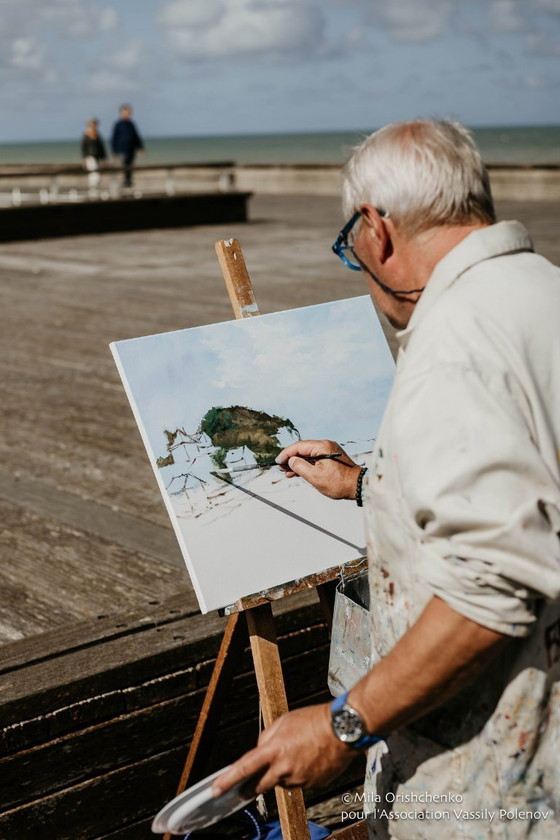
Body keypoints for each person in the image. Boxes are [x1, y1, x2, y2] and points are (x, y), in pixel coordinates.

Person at [214, 119, 560, 838]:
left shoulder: (454, 341)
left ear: (377, 229)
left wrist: (343, 725)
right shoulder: (541, 293)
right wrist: (366, 485)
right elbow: (527, 494)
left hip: (489, 791)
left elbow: (490, 583)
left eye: (351, 244)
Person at [111, 104, 144, 188]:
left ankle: (129, 180)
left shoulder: (131, 124)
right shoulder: (118, 124)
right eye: (126, 113)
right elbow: (114, 138)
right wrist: (115, 151)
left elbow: (136, 136)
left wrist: (140, 148)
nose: (128, 115)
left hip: (131, 148)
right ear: (121, 113)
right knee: (125, 164)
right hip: (122, 148)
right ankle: (126, 180)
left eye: (129, 113)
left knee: (130, 164)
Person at [80, 118, 106, 194]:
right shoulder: (86, 135)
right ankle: (93, 191)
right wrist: (84, 159)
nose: (94, 126)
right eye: (92, 124)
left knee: (98, 175)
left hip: (98, 157)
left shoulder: (97, 134)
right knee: (93, 175)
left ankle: (95, 190)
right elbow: (83, 148)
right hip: (90, 157)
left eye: (95, 124)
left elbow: (101, 147)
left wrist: (104, 158)